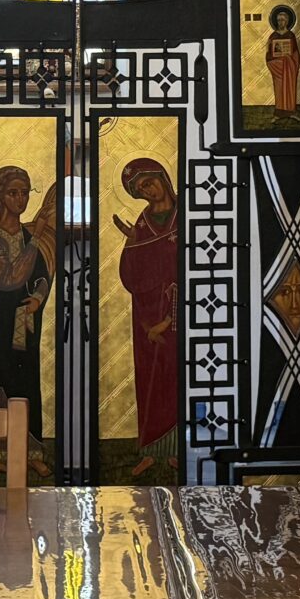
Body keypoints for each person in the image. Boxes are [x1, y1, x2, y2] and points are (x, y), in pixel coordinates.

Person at [0, 163, 56, 439]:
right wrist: (37, 239)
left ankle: (28, 442)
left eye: (25, 192)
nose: (20, 199)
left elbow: (42, 276)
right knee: (9, 367)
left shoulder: (27, 234)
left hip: (29, 314)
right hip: (7, 312)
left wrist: (38, 298)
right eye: (13, 193)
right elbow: (7, 279)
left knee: (29, 370)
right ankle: (5, 440)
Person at [113, 157, 180, 458]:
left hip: (180, 313)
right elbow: (132, 276)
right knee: (150, 379)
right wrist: (132, 244)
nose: (148, 191)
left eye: (149, 183)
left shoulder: (186, 214)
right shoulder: (143, 223)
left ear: (162, 177)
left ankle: (179, 451)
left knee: (177, 376)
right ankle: (151, 450)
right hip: (147, 315)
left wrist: (169, 318)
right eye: (140, 189)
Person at [263, 5, 300, 117]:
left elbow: (295, 52)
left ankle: (291, 112)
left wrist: (289, 59)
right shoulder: (273, 36)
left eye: (283, 20)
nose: (281, 22)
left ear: (287, 21)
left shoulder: (290, 35)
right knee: (279, 89)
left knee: (289, 89)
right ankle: (279, 113)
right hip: (277, 67)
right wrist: (270, 51)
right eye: (279, 20)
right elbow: (269, 53)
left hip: (289, 67)